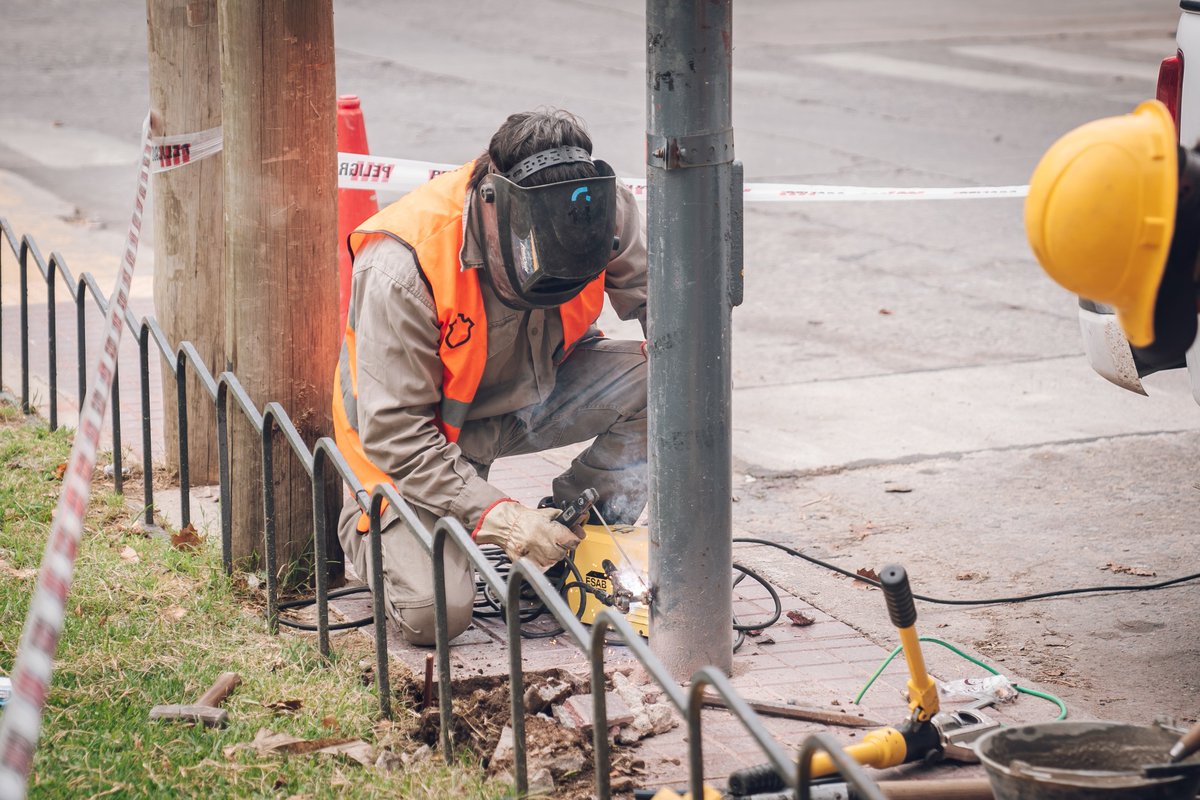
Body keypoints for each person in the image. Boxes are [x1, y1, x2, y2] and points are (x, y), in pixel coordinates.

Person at [332, 109, 648, 645]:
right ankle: (372, 540)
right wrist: (501, 519)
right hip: (420, 444)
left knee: (663, 383)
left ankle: (573, 541)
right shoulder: (402, 264)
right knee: (435, 613)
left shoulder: (596, 208)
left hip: (538, 390)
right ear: (490, 202)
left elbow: (671, 315)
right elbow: (395, 437)